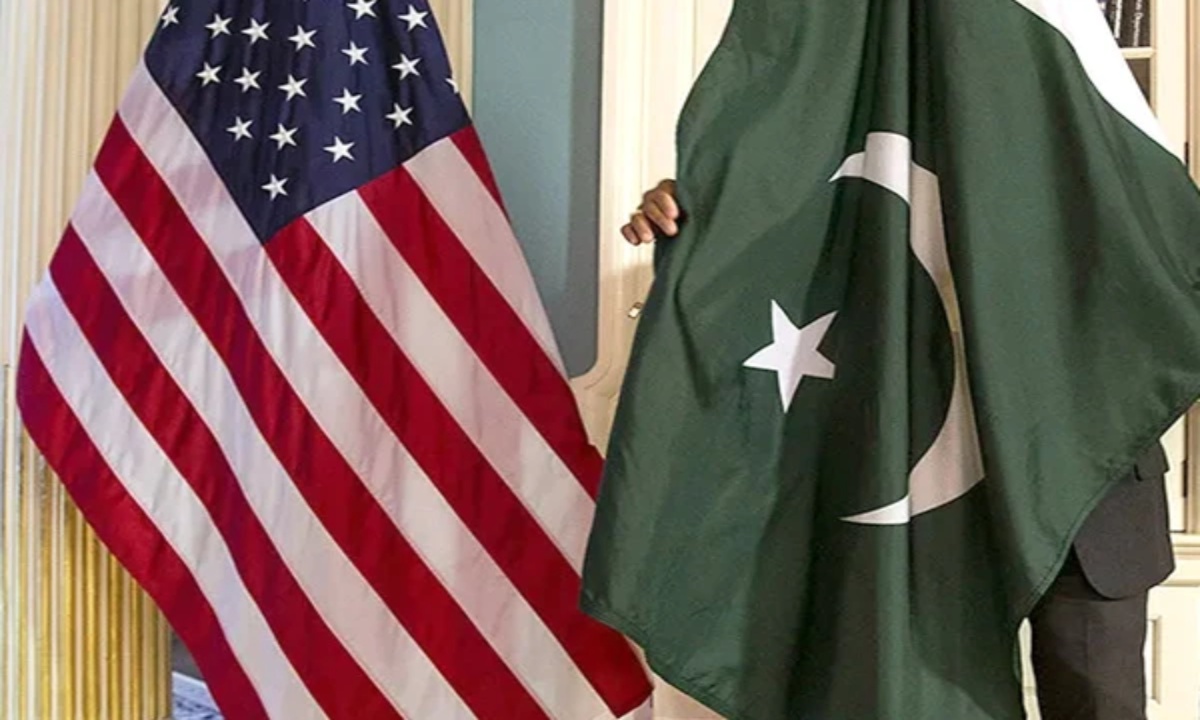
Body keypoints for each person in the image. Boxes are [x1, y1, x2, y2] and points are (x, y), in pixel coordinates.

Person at [623, 179, 1176, 720]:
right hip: (917, 491)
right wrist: (705, 210)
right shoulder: (868, 148)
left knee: (1097, 702)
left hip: (1087, 487)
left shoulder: (1099, 149)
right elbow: (778, 237)